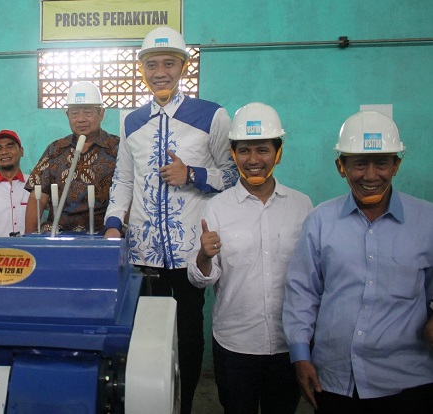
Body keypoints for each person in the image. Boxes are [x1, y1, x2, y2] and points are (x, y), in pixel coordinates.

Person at [103, 26, 238, 414]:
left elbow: (233, 176)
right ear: (141, 69)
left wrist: (192, 174)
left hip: (190, 255)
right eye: (151, 64)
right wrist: (114, 221)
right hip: (143, 253)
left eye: (168, 62)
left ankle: (186, 404)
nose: (160, 71)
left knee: (189, 337)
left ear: (183, 66)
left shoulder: (211, 115)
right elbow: (123, 179)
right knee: (147, 338)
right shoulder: (130, 119)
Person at [282, 110, 433, 413]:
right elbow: (302, 292)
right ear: (341, 166)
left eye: (382, 163)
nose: (371, 175)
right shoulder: (320, 221)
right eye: (359, 163)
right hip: (335, 379)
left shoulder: (427, 220)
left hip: (408, 382)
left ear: (397, 165)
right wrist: (300, 356)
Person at [188, 103, 312, 413]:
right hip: (235, 344)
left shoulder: (302, 205)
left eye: (262, 150)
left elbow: (313, 276)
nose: (253, 160)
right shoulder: (216, 207)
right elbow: (201, 278)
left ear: (277, 152)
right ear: (233, 153)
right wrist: (204, 255)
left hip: (289, 344)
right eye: (244, 151)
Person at [25, 81, 119, 234]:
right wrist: (28, 239)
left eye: (88, 112)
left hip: (103, 233)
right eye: (74, 113)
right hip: (58, 234)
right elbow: (38, 196)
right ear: (67, 115)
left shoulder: (117, 148)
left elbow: (129, 193)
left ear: (101, 113)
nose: (81, 119)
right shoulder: (55, 150)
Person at [0, 129, 29, 236]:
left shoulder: (37, 185)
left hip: (31, 251)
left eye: (10, 146)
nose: (4, 152)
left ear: (21, 151)